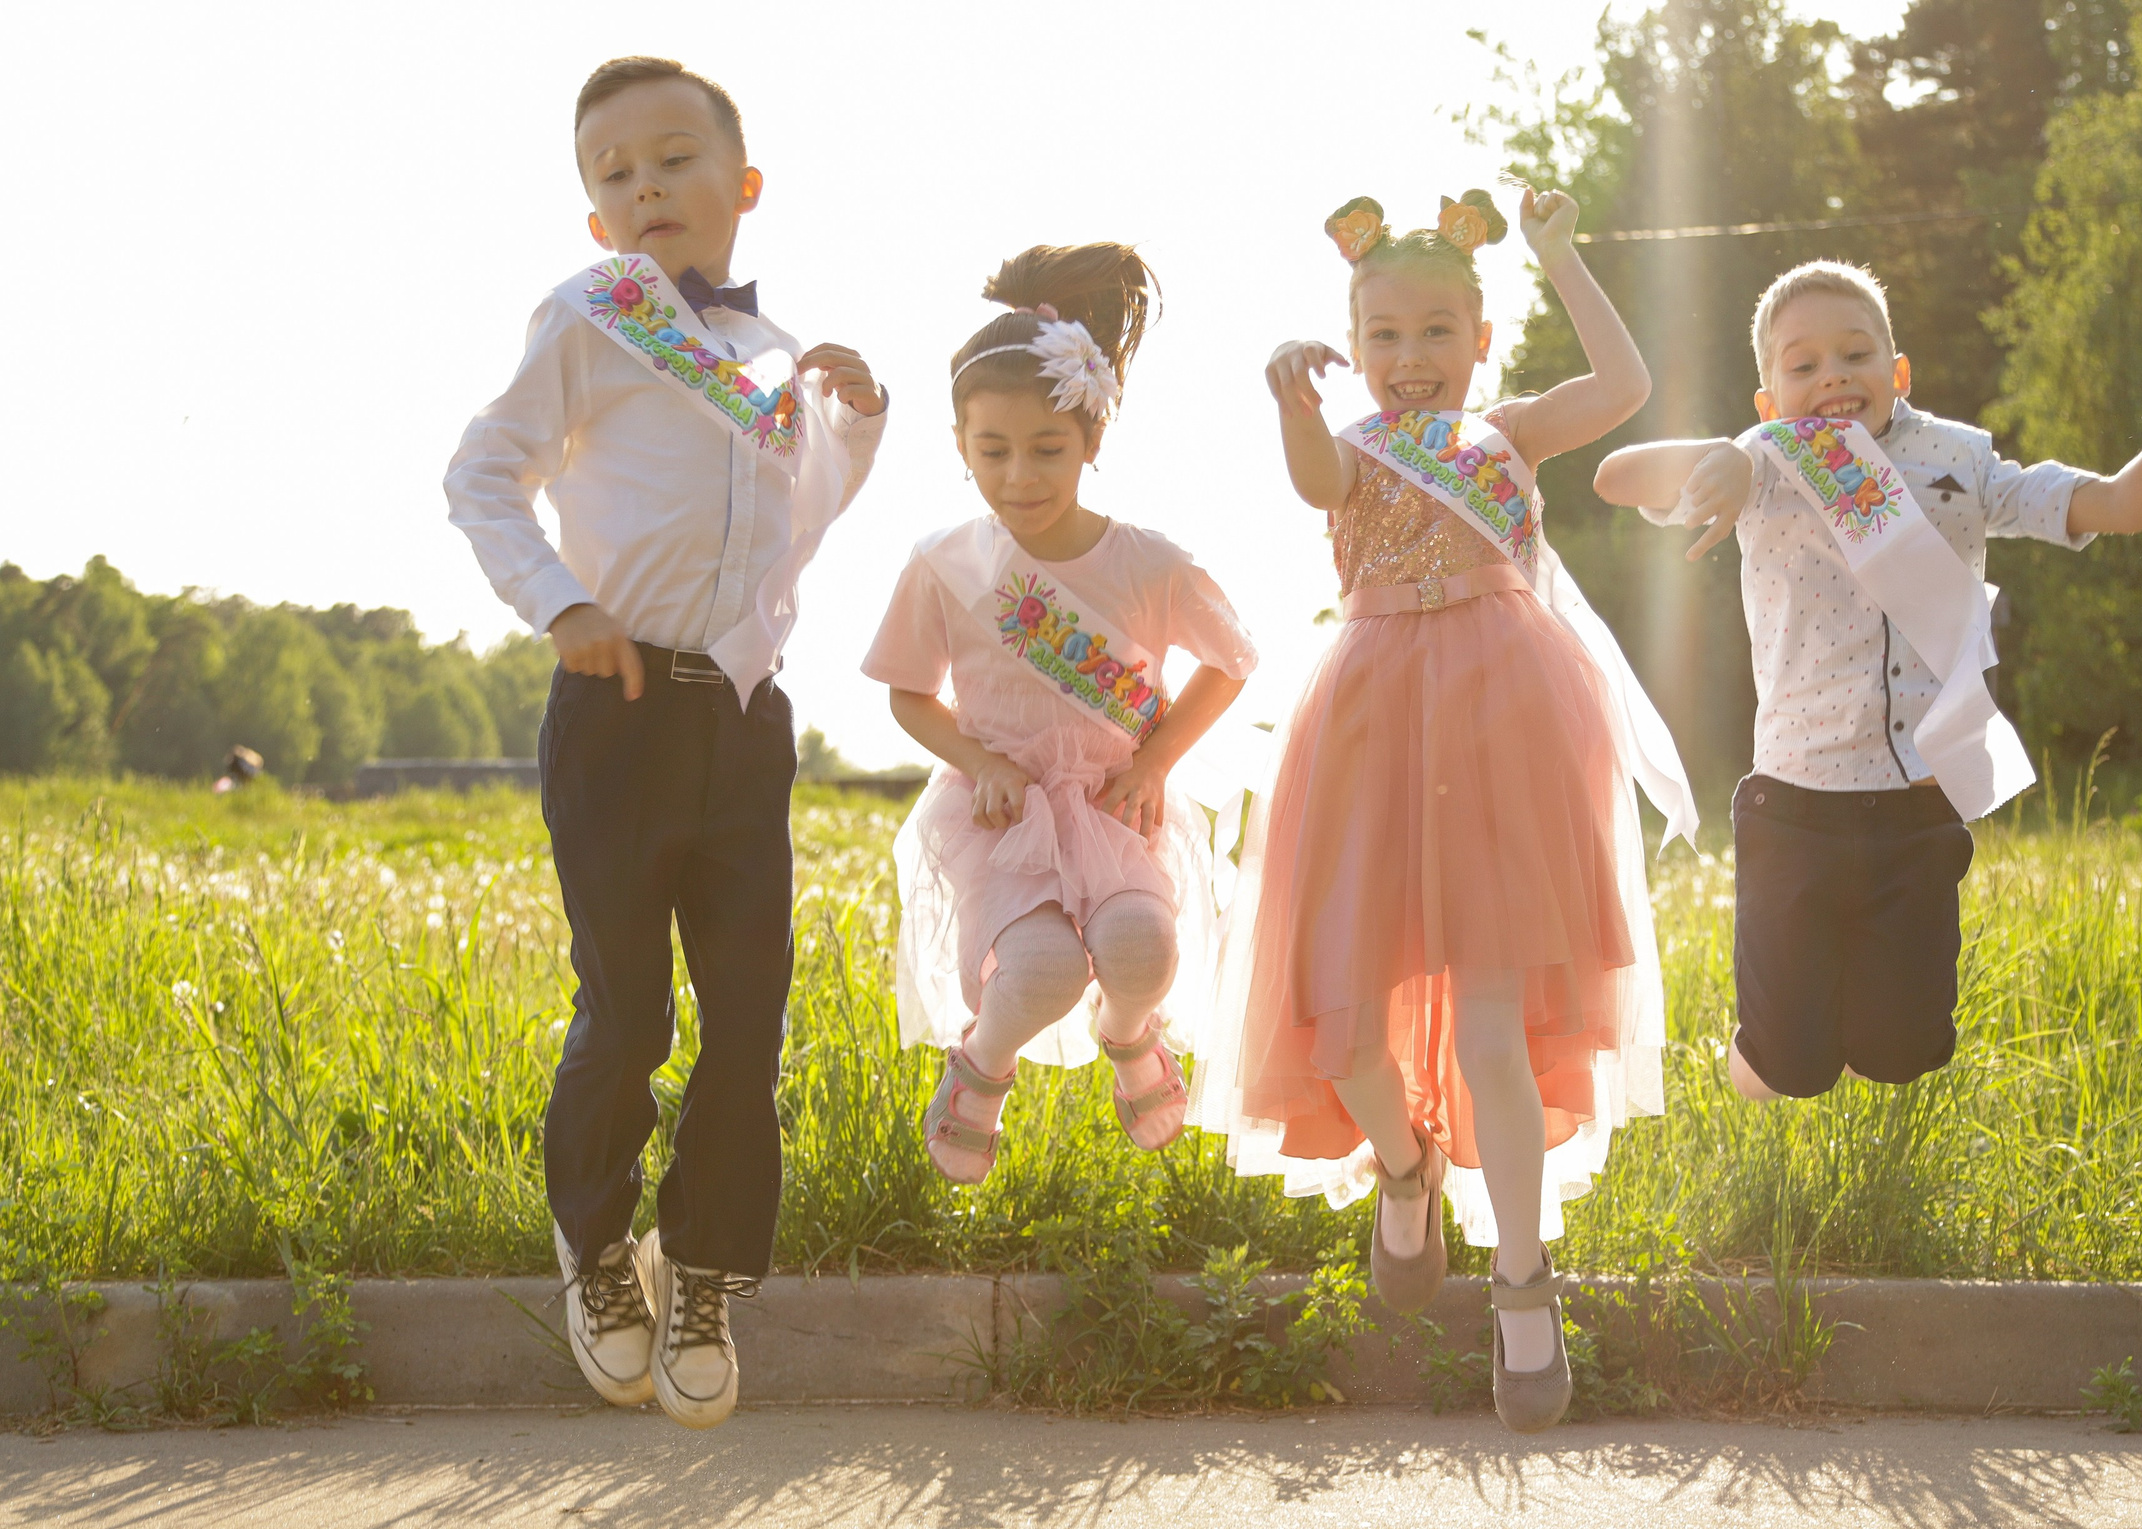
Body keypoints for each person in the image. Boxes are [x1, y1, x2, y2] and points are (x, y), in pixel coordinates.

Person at [1195, 189, 1697, 1434]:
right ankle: (1404, 1165)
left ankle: (1523, 1284)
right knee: (1343, 1028)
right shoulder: (1352, 444)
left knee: (1490, 1027)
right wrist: (1288, 398)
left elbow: (1624, 386)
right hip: (1367, 724)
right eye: (1384, 335)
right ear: (1353, 344)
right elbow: (1314, 478)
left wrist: (1562, 255)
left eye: (1435, 332)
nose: (1409, 356)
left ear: (1479, 339)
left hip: (1500, 722)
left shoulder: (1506, 433)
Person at [444, 56, 887, 1429]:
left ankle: (701, 1270)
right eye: (615, 173)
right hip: (620, 704)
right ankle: (595, 1247)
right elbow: (482, 473)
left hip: (745, 717)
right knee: (628, 1008)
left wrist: (857, 423)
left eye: (674, 159)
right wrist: (561, 604)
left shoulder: (774, 355)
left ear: (743, 185)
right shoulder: (593, 313)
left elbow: (793, 524)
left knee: (750, 1013)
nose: (646, 187)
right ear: (595, 217)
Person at [1594, 259, 2142, 1103]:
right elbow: (1615, 477)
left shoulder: (1960, 459)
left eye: (1855, 353)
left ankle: (1853, 1022)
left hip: (1917, 804)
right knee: (1790, 1067)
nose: (1832, 375)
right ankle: (1766, 1054)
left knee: (1904, 1050)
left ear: (1897, 371)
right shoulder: (1763, 461)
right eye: (1803, 364)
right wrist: (1719, 455)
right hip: (1794, 803)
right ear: (1769, 400)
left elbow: (2112, 504)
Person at [864, 245, 1257, 1183]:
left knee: (1142, 950)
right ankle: (981, 1066)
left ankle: (1130, 1034)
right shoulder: (946, 562)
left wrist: (1156, 761)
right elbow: (908, 691)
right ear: (959, 443)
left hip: (1115, 804)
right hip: (1001, 815)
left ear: (1092, 438)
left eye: (1048, 449)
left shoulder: (1150, 562)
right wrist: (979, 761)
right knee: (1039, 971)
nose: (1019, 476)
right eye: (992, 451)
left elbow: (1230, 661)